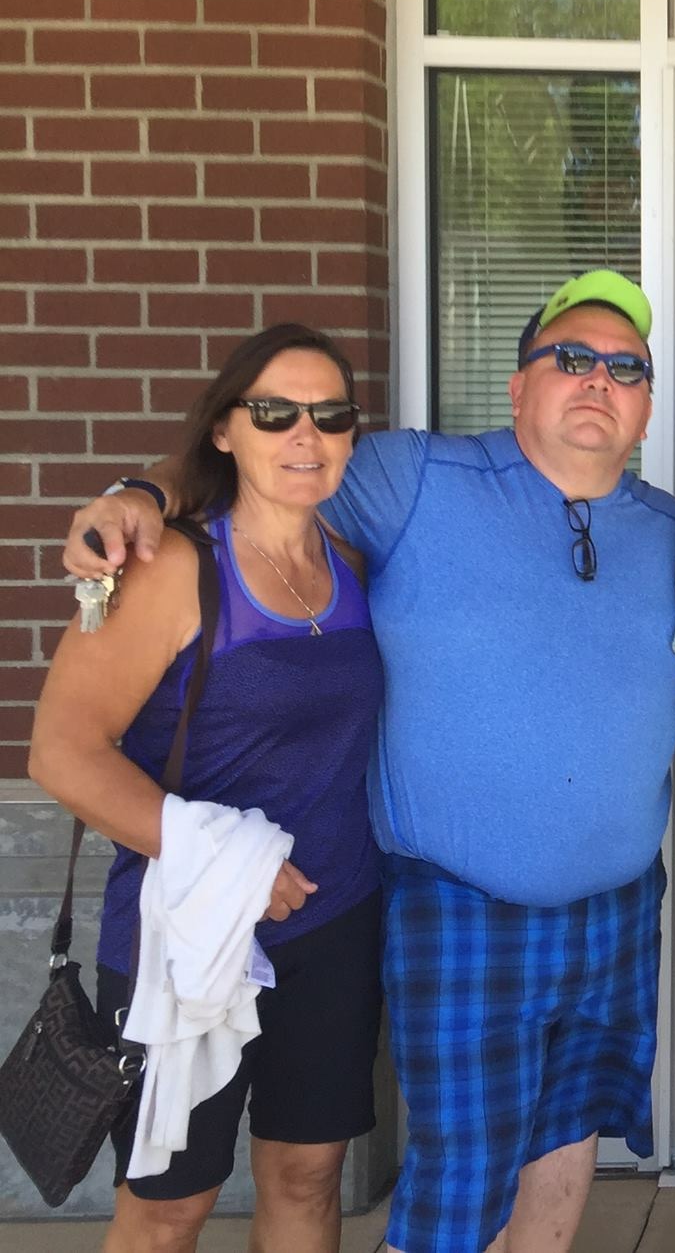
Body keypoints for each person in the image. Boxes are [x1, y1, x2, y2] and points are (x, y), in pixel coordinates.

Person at [60, 271, 675, 1253]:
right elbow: (266, 468)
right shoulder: (411, 479)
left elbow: (281, 460)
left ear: (647, 402)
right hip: (393, 905)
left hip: (540, 906)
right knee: (401, 1175)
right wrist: (139, 493)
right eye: (569, 357)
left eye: (624, 367)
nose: (596, 379)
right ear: (517, 388)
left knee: (521, 1139)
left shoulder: (667, 528)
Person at [30, 324, 384, 1253]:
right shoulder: (175, 566)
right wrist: (231, 863)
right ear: (226, 430)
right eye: (274, 413)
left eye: (330, 414)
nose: (304, 434)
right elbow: (62, 751)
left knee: (309, 1174)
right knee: (169, 1204)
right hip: (184, 934)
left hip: (334, 922)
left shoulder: (350, 566)